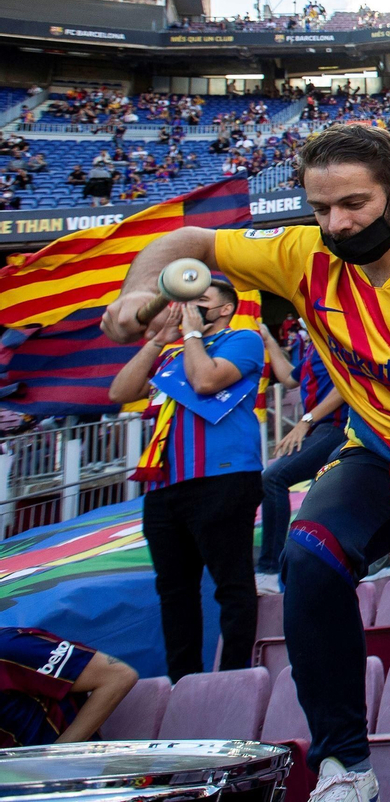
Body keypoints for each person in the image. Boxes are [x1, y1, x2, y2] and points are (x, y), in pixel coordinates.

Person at [102, 124, 390, 802]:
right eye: (321, 207)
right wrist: (136, 287)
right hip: (378, 452)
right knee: (308, 557)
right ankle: (345, 767)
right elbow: (190, 242)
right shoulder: (301, 255)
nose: (336, 223)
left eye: (354, 203)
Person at [107, 277, 264, 681]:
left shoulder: (241, 340)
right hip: (164, 487)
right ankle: (184, 682)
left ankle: (232, 679)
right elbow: (119, 392)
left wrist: (192, 333)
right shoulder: (171, 355)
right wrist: (158, 340)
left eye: (201, 302)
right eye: (186, 303)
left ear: (225, 308)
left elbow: (206, 381)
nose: (189, 307)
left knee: (231, 584)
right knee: (174, 592)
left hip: (223, 479)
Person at [255, 325, 350, 595]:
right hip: (323, 427)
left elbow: (348, 384)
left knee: (273, 478)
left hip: (338, 426)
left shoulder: (339, 335)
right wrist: (268, 337)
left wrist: (306, 421)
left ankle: (269, 570)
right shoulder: (314, 344)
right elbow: (288, 378)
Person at [0, 628, 138, 745]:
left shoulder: (9, 648)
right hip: (17, 771)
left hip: (67, 769)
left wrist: (59, 753)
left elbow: (118, 676)